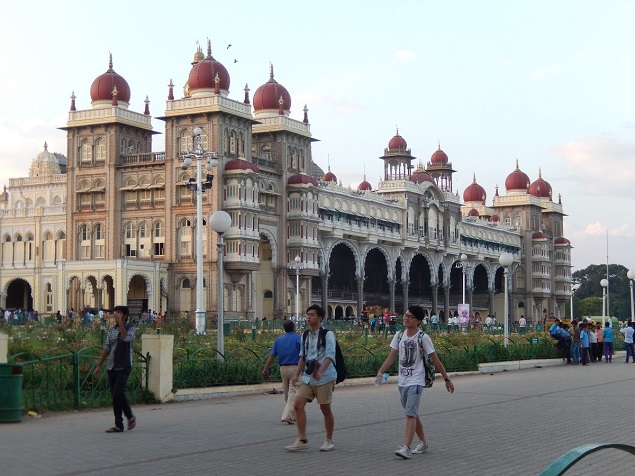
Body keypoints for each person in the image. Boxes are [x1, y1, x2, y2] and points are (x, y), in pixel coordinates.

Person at [376, 305, 455, 459]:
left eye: (410, 316)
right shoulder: (399, 335)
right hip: (402, 381)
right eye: (405, 315)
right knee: (412, 413)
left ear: (418, 321)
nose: (405, 318)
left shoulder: (423, 337)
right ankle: (423, 442)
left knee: (410, 414)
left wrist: (447, 379)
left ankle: (406, 447)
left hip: (417, 380)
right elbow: (392, 356)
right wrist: (380, 371)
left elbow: (435, 359)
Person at [286, 304, 336, 452]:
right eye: (307, 314)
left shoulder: (327, 334)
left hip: (325, 377)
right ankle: (302, 439)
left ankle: (328, 440)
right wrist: (296, 375)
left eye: (312, 315)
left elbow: (330, 355)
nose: (308, 317)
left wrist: (321, 371)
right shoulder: (305, 335)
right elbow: (302, 356)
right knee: (297, 405)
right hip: (308, 377)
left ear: (320, 318)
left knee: (325, 409)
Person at [93, 305, 137, 433]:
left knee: (118, 392)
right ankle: (118, 424)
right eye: (115, 313)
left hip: (124, 365)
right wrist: (99, 365)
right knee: (115, 396)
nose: (115, 315)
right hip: (112, 366)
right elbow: (107, 347)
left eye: (118, 313)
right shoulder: (112, 330)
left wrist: (120, 323)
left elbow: (126, 338)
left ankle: (130, 416)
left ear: (125, 315)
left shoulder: (131, 328)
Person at [262, 319, 301, 424]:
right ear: (294, 328)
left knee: (287, 392)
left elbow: (272, 355)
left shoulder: (279, 340)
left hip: (283, 369)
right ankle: (287, 415)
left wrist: (266, 368)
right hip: (295, 368)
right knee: (293, 391)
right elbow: (304, 355)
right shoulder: (299, 339)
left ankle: (293, 415)